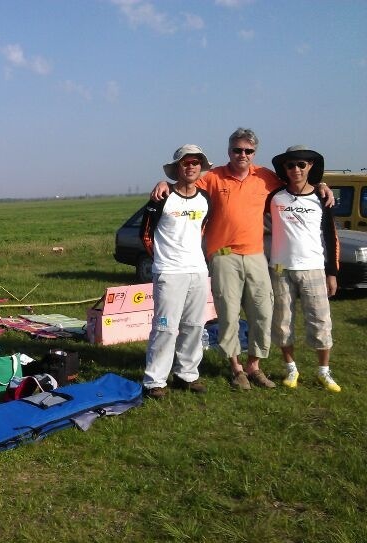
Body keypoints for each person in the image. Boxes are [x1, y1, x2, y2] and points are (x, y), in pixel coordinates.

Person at [151, 128, 334, 391]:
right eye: (237, 150)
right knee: (228, 315)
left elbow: (297, 185)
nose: (242, 155)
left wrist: (321, 185)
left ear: (254, 153)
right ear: (229, 151)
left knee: (263, 312)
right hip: (224, 256)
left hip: (256, 255)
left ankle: (253, 366)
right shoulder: (213, 177)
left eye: (248, 151)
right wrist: (164, 184)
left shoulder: (265, 177)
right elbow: (184, 186)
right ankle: (236, 368)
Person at [267, 145, 341, 392]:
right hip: (280, 269)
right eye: (291, 165)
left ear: (310, 166)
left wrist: (332, 273)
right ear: (284, 168)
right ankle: (291, 369)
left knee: (320, 321)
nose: (296, 169)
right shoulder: (274, 196)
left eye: (301, 164)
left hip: (313, 268)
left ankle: (323, 371)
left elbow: (331, 237)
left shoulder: (322, 197)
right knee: (282, 323)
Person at [140, 145, 212, 398]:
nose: (191, 167)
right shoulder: (162, 197)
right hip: (169, 273)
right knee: (165, 328)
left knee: (194, 325)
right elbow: (145, 234)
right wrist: (162, 261)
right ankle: (155, 381)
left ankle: (186, 375)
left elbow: (201, 230)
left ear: (201, 167)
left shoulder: (205, 199)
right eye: (185, 162)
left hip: (198, 271)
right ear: (177, 167)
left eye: (195, 162)